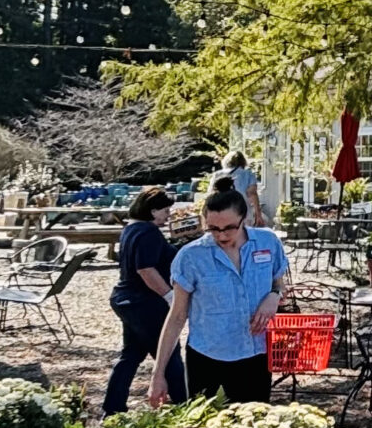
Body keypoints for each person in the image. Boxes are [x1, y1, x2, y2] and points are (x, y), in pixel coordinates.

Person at [148, 187, 290, 405]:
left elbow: (280, 285)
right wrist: (158, 374)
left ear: (245, 218)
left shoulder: (268, 242)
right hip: (208, 357)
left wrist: (274, 296)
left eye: (229, 228)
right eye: (214, 229)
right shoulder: (190, 256)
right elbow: (177, 316)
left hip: (256, 354)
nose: (222, 235)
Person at [105, 187, 187, 413]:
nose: (168, 215)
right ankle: (186, 403)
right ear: (152, 211)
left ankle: (112, 408)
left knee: (131, 354)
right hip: (145, 302)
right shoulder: (148, 232)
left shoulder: (131, 228)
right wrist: (169, 295)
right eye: (165, 210)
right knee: (168, 353)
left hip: (126, 299)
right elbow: (146, 270)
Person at [223, 150, 265, 227]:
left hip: (222, 211)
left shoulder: (218, 175)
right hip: (243, 212)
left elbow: (211, 195)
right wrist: (258, 214)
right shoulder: (248, 174)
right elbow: (252, 193)